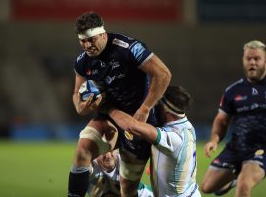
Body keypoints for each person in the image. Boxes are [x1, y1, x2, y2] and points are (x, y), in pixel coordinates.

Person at [68, 12, 171, 197]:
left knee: (128, 189)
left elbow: (163, 74)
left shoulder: (128, 48)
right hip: (109, 115)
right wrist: (80, 106)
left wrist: (145, 109)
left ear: (102, 33)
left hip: (138, 120)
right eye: (82, 41)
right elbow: (77, 93)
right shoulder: (83, 61)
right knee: (83, 150)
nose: (87, 46)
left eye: (91, 40)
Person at [108, 85, 201, 197]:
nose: (155, 105)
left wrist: (108, 108)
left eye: (158, 103)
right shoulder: (185, 126)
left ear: (166, 110)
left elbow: (132, 127)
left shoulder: (175, 137)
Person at [200, 40, 266, 197]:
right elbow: (221, 121)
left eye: (257, 59)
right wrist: (214, 140)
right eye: (248, 58)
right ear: (243, 60)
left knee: (244, 184)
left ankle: (241, 177)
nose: (252, 62)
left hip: (260, 149)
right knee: (207, 187)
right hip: (236, 148)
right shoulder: (233, 91)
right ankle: (235, 178)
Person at [87, 150, 153, 197]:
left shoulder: (124, 160)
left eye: (111, 149)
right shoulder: (91, 168)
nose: (108, 155)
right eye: (103, 151)